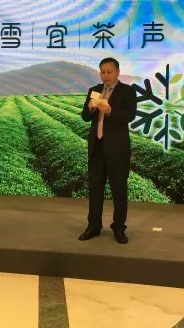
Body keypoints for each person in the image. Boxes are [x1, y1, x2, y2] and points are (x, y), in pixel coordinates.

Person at [79, 57, 137, 244]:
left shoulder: (127, 91)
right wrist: (90, 108)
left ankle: (119, 227)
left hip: (117, 149)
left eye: (109, 72)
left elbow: (130, 116)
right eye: (102, 72)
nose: (105, 75)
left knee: (119, 190)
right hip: (96, 147)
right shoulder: (94, 90)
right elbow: (85, 117)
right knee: (95, 189)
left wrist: (110, 111)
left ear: (118, 72)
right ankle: (93, 225)